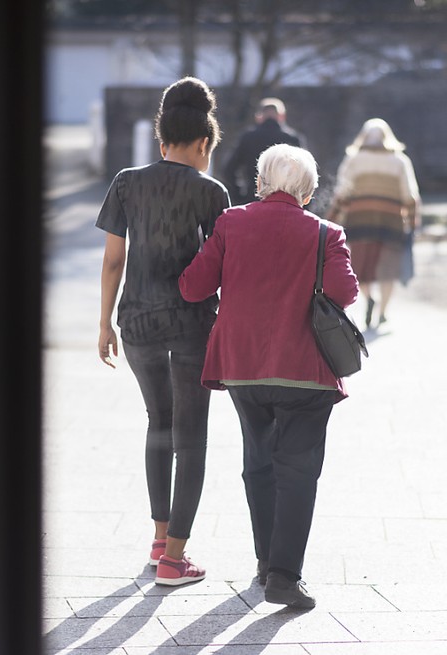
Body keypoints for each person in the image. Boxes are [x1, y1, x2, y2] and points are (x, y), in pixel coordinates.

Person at [179, 144, 358, 609]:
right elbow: (344, 292)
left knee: (259, 461)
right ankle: (283, 575)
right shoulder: (326, 233)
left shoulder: (231, 222)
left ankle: (264, 562)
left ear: (259, 182)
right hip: (306, 370)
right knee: (297, 470)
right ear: (309, 190)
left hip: (243, 367)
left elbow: (194, 286)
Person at [96, 77, 230, 587]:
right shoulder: (211, 191)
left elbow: (114, 260)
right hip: (192, 324)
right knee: (191, 436)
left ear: (160, 142)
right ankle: (175, 558)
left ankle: (158, 542)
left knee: (158, 422)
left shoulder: (127, 182)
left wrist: (104, 321)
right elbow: (223, 264)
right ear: (203, 144)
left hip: (137, 321)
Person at [329, 118, 420, 329]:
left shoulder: (353, 159)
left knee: (361, 268)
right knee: (387, 270)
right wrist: (412, 222)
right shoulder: (399, 161)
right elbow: (410, 195)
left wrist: (332, 219)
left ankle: (370, 298)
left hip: (360, 222)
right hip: (391, 223)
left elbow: (342, 192)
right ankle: (383, 312)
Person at [220, 97, 305, 204]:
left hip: (253, 199)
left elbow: (228, 170)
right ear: (282, 116)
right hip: (286, 202)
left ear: (258, 117)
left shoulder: (247, 138)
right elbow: (304, 174)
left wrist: (240, 196)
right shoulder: (292, 139)